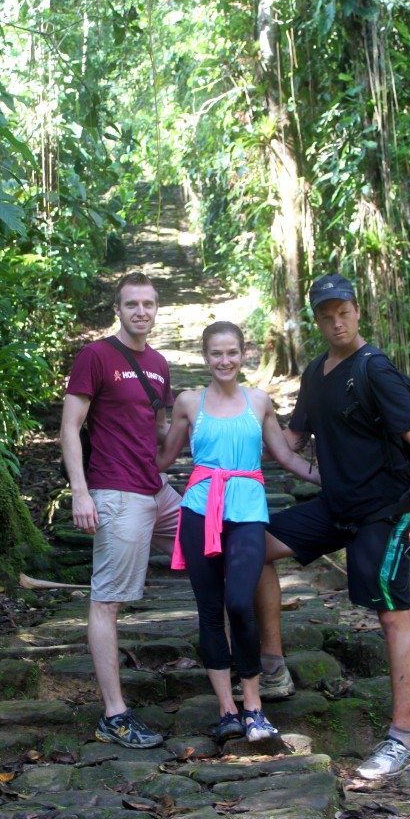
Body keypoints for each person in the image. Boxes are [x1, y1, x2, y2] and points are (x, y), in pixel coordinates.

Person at [255, 273, 410, 779]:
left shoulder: (374, 369)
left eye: (344, 311)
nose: (336, 321)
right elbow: (291, 440)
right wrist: (246, 417)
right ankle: (271, 669)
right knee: (251, 547)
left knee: (390, 611)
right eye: (326, 314)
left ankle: (402, 741)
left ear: (357, 311)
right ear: (316, 320)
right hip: (337, 505)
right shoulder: (317, 372)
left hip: (385, 511)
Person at [157, 321, 321, 743]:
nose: (224, 361)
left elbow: (285, 456)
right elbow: (163, 458)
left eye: (232, 353)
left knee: (239, 603)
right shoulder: (189, 402)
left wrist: (336, 482)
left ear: (244, 354)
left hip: (247, 510)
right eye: (216, 353)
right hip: (198, 510)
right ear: (205, 357)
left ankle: (254, 707)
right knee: (210, 610)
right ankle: (227, 710)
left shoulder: (259, 401)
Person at [61, 271, 181, 749]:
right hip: (115, 493)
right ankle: (114, 715)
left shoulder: (158, 363)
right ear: (119, 308)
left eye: (148, 304)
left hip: (157, 490)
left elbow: (159, 434)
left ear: (156, 309)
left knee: (223, 541)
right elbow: (71, 428)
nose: (141, 312)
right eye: (132, 304)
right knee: (107, 600)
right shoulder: (96, 356)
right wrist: (81, 492)